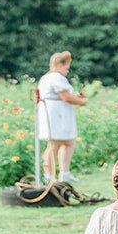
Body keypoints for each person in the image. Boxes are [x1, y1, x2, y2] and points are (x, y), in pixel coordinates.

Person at [36, 51, 87, 182]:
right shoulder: (55, 77)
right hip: (55, 115)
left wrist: (76, 96)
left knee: (68, 142)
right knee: (54, 144)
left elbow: (64, 95)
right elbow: (66, 97)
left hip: (62, 116)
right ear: (59, 65)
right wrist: (82, 101)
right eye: (66, 68)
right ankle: (49, 175)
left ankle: (65, 172)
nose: (67, 71)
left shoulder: (51, 78)